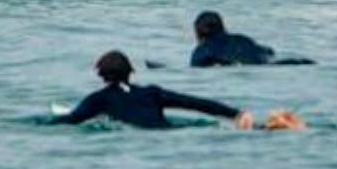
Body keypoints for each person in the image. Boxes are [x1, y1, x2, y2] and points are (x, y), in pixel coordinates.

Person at [55, 50, 256, 130]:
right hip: (167, 131)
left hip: (142, 137)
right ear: (130, 71)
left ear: (101, 75)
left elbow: (71, 120)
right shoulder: (152, 93)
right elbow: (196, 103)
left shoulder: (98, 100)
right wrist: (236, 114)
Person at [190, 10, 314, 67]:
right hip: (261, 61)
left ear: (198, 32)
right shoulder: (242, 39)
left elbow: (199, 64)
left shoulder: (202, 50)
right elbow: (269, 51)